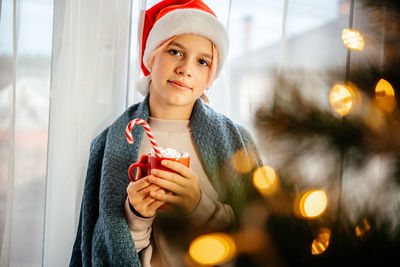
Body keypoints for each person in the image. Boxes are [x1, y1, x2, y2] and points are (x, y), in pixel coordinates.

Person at [70, 0, 262, 266]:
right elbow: (97, 249)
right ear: (151, 56)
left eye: (202, 61)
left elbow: (261, 236)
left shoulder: (237, 142)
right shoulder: (109, 143)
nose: (186, 69)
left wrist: (198, 205)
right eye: (175, 51)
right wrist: (136, 215)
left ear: (210, 76)